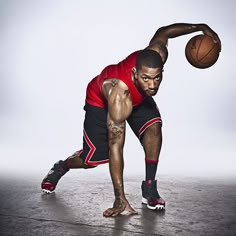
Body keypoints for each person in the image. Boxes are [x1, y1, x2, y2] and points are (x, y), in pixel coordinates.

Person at [41, 23, 221, 217]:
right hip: (101, 100)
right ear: (135, 74)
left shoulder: (156, 55)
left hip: (137, 98)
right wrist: (120, 198)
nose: (152, 86)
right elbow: (116, 147)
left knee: (154, 127)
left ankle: (149, 188)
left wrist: (200, 27)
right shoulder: (118, 95)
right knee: (91, 159)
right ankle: (61, 167)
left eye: (157, 78)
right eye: (146, 79)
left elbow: (164, 32)